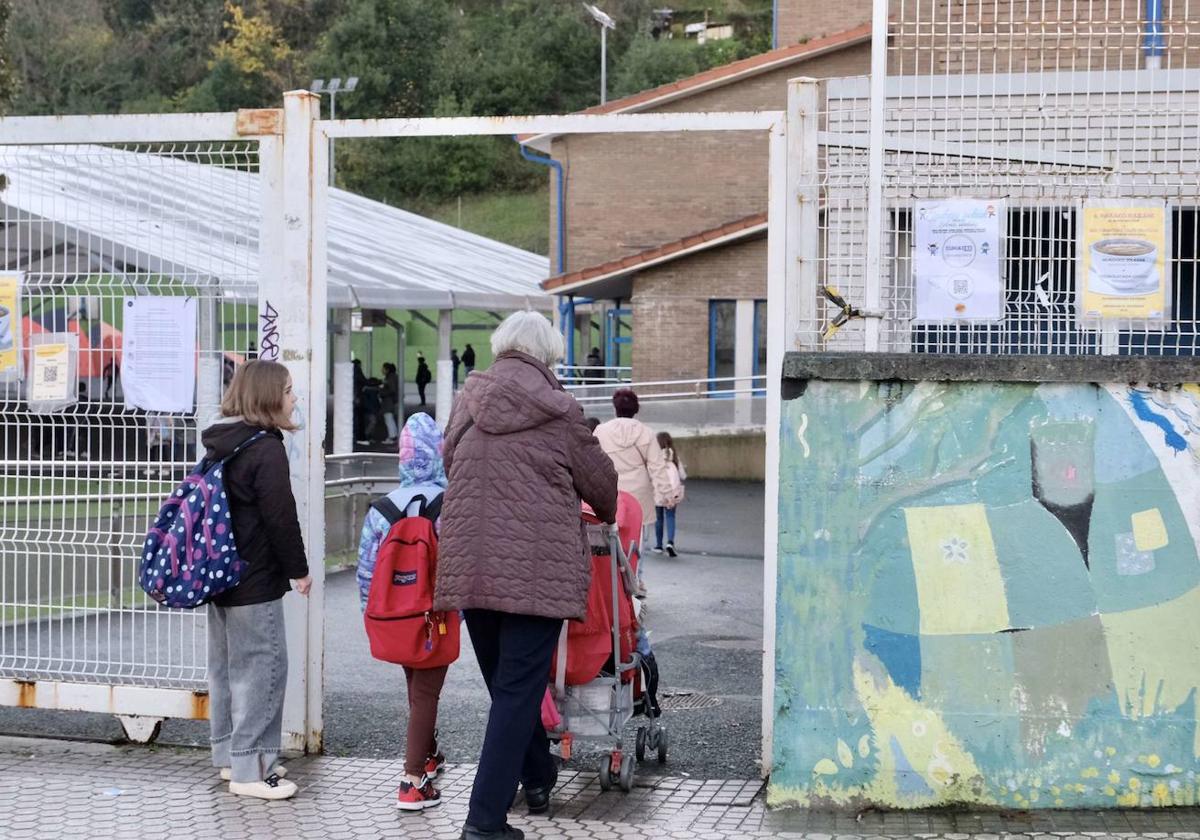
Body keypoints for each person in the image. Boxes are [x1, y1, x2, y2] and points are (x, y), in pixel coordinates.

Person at [434, 311, 618, 840]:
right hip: (536, 576)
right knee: (517, 691)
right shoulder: (560, 413)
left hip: (470, 566)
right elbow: (603, 491)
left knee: (508, 689)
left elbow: (451, 464)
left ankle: (538, 777)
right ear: (548, 357)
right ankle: (484, 823)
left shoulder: (466, 404)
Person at [200, 359, 311, 801]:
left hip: (219, 575)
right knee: (264, 669)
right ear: (269, 396)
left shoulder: (221, 443)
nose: (294, 398)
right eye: (288, 390)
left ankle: (231, 757)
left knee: (227, 670)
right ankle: (252, 769)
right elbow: (280, 517)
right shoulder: (265, 448)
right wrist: (298, 570)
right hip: (254, 578)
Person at [357, 412, 451, 811]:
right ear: (439, 453)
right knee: (427, 694)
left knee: (417, 688)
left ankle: (428, 754)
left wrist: (371, 615)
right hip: (434, 617)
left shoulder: (382, 509)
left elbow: (366, 571)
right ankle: (413, 781)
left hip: (394, 618)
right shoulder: (447, 504)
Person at [594, 389, 675, 587]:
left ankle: (611, 584)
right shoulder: (646, 433)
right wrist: (667, 494)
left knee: (608, 539)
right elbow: (657, 466)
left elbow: (592, 462)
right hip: (639, 496)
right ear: (636, 409)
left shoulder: (601, 432)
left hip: (609, 493)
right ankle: (635, 581)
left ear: (615, 407)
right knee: (637, 541)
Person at [653, 431, 686, 557]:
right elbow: (683, 475)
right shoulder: (675, 459)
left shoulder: (655, 459)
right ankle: (670, 542)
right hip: (673, 494)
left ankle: (658, 545)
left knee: (659, 518)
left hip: (658, 493)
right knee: (671, 517)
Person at [380, 362, 400, 444]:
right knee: (390, 418)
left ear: (387, 369)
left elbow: (392, 390)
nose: (382, 370)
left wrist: (382, 392)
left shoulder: (390, 378)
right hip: (390, 401)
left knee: (388, 418)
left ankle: (392, 437)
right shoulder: (393, 377)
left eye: (383, 368)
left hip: (388, 401)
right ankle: (393, 435)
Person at [352, 359, 367, 443]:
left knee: (354, 418)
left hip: (353, 397)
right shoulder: (357, 372)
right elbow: (364, 381)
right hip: (357, 398)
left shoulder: (350, 372)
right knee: (359, 418)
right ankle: (359, 437)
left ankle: (355, 437)